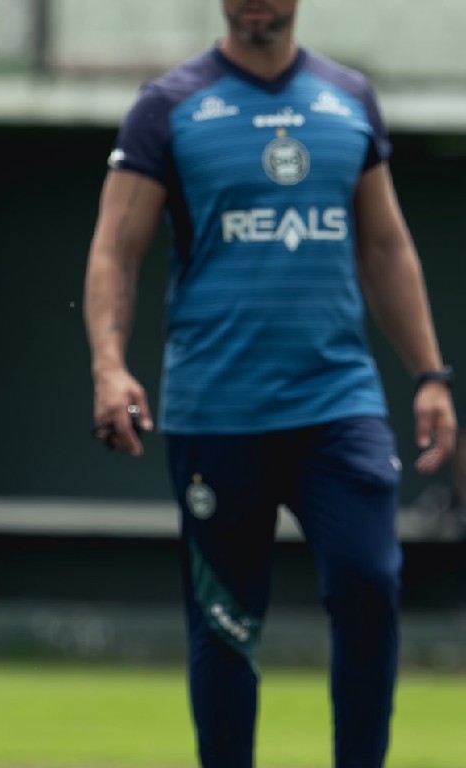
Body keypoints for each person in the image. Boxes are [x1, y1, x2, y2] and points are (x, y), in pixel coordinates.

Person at [83, 1, 456, 766]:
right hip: (217, 410)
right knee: (224, 623)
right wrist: (110, 365)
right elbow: (115, 253)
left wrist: (429, 375)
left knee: (369, 581)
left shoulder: (350, 97)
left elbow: (386, 247)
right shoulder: (168, 105)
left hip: (338, 403)